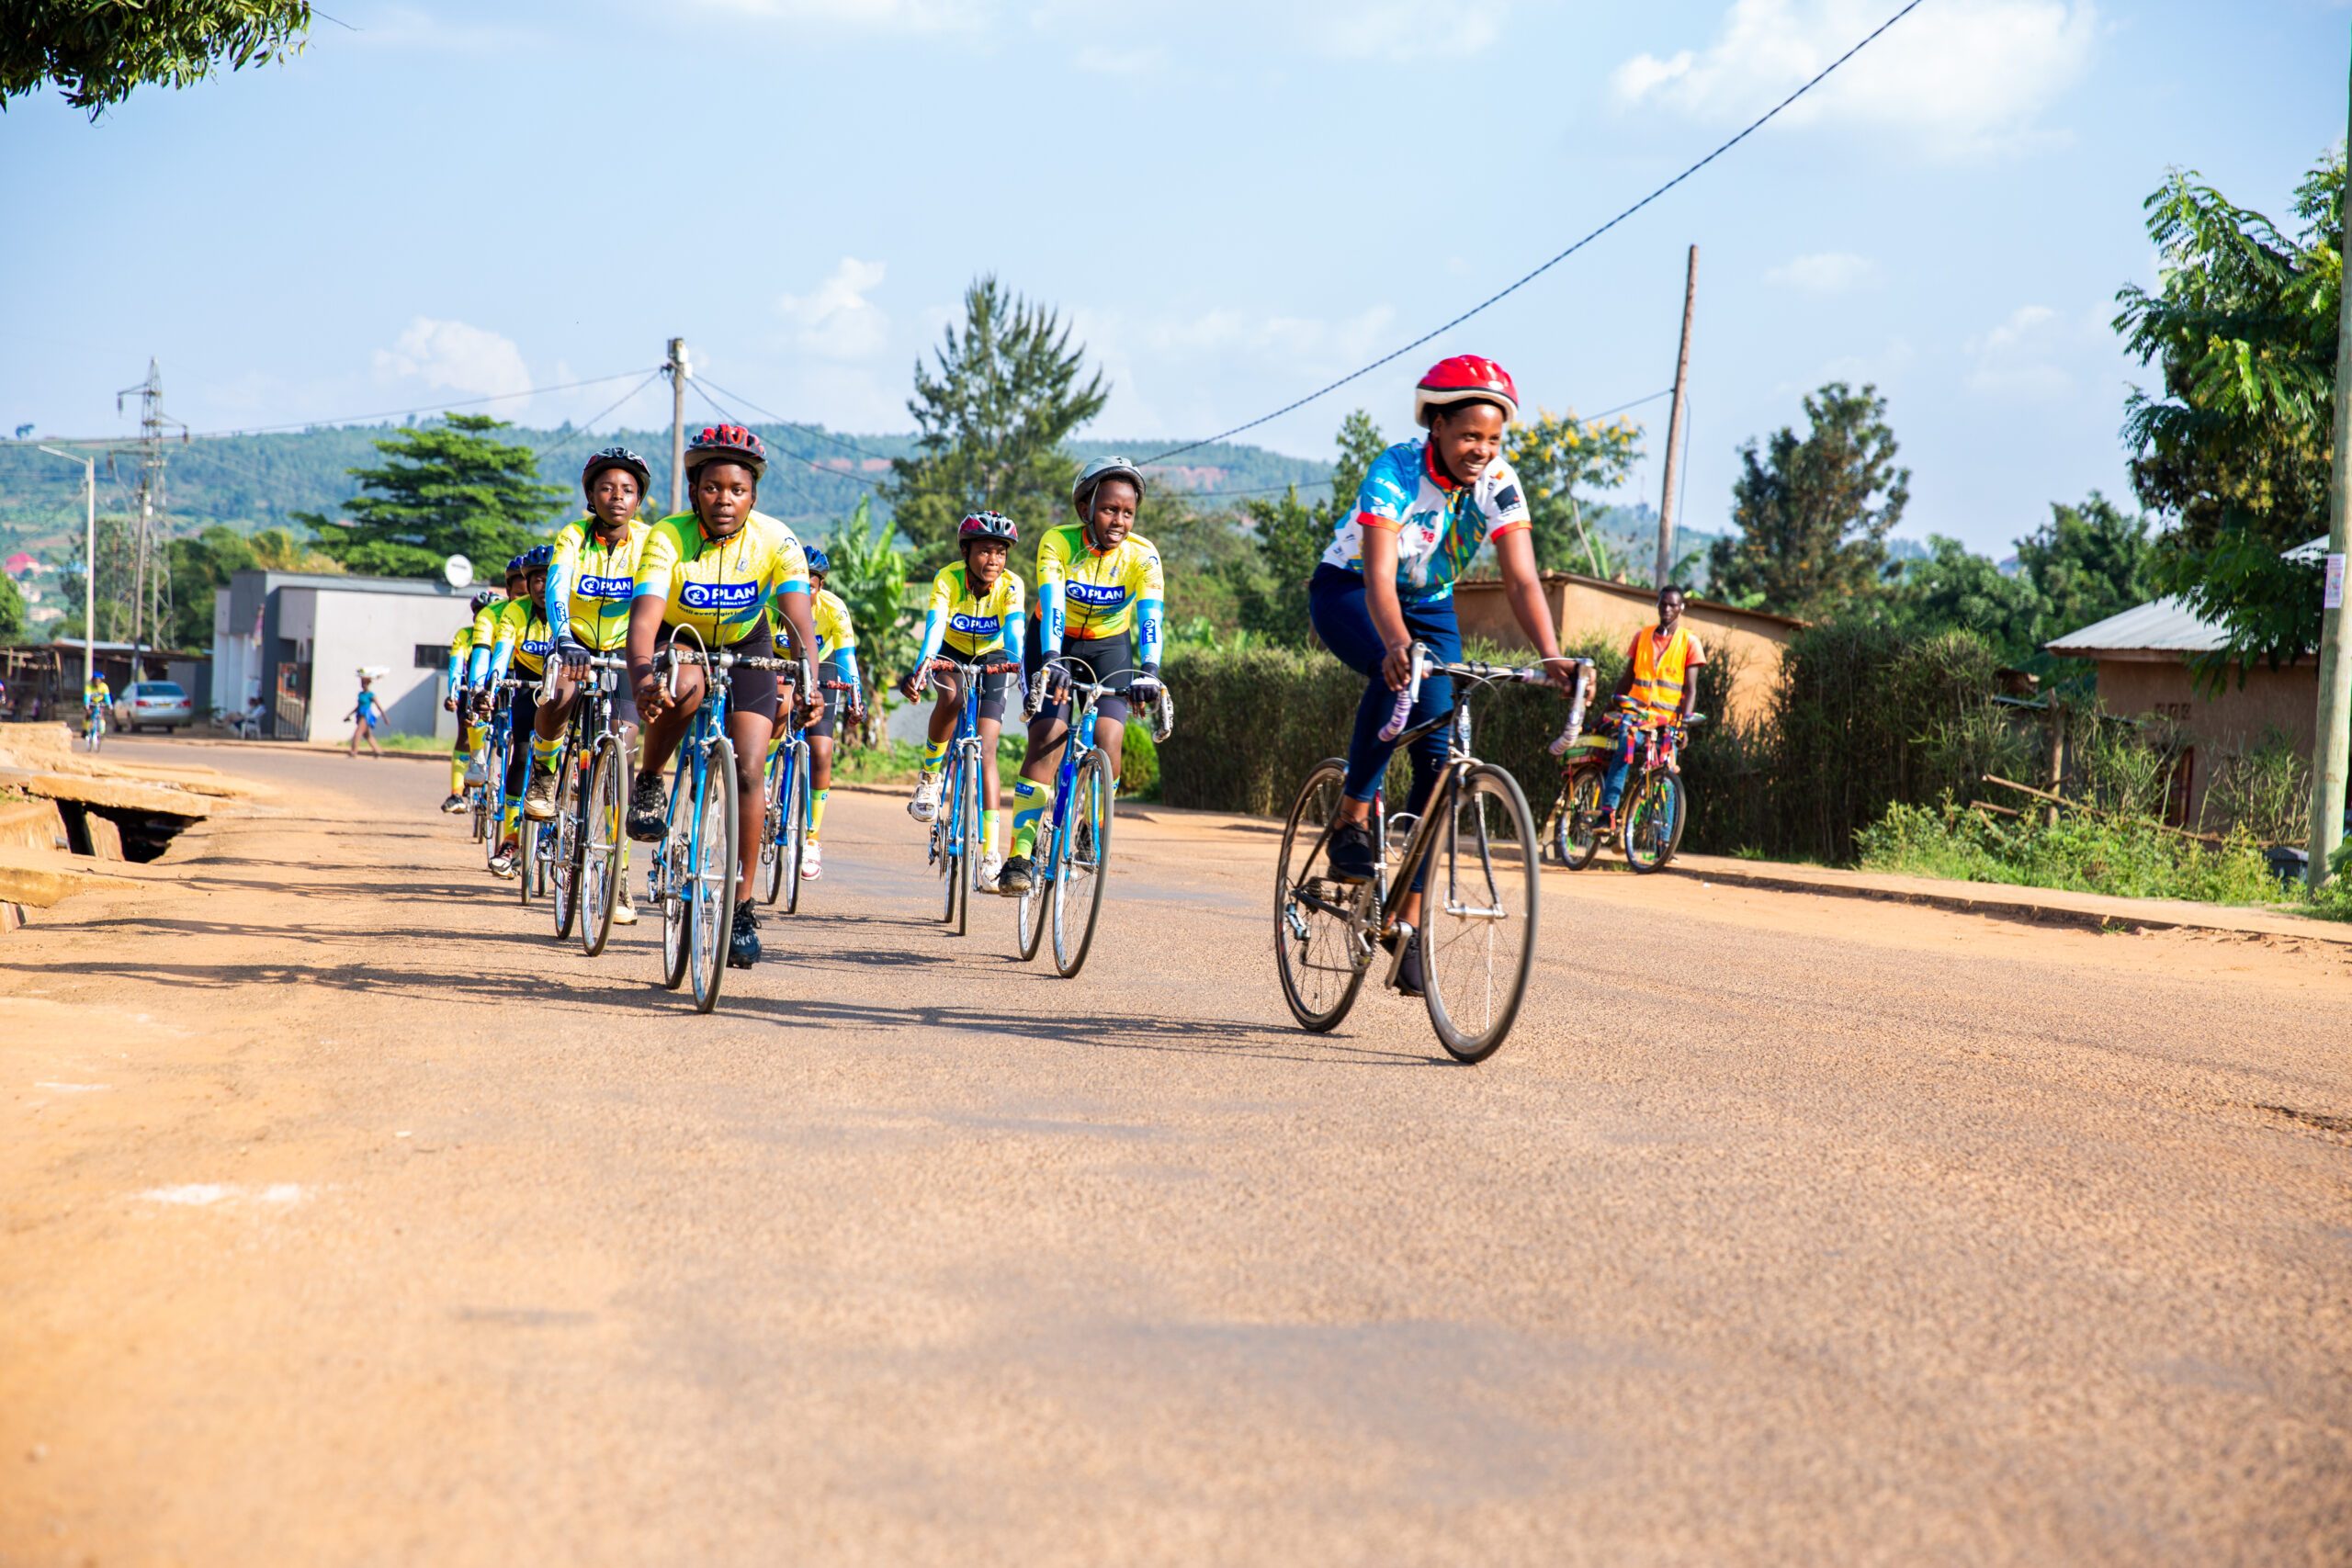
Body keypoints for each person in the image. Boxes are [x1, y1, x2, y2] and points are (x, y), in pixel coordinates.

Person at [1307, 355, 1577, 996]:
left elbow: (1521, 578)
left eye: (1492, 439)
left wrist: (1551, 652)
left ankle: (1405, 932)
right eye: (1467, 437)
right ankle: (1350, 817)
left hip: (1431, 604)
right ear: (1435, 425)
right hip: (1351, 592)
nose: (1481, 450)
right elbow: (1377, 577)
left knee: (1439, 766)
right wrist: (1396, 643)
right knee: (1396, 672)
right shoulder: (1395, 470)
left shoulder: (1499, 481)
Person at [625, 424, 822, 970]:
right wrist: (644, 676)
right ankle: (649, 779)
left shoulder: (776, 540)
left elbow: (799, 618)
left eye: (737, 489)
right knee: (683, 686)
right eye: (712, 488)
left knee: (752, 768)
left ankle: (740, 905)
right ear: (695, 492)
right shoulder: (667, 536)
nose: (724, 499)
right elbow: (644, 621)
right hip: (679, 637)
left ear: (753, 495)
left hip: (746, 640)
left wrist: (810, 680)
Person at [997, 457, 1164, 897]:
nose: (1120, 520)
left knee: (1110, 737)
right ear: (1086, 507)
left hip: (1111, 646)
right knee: (1050, 735)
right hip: (1055, 641)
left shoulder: (1142, 555)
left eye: (1128, 512)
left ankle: (1092, 827)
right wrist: (1051, 658)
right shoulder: (1059, 542)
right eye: (1110, 509)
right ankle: (1020, 855)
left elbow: (1150, 616)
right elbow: (1052, 602)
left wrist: (1150, 670)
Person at [527, 446, 656, 924]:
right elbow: (558, 586)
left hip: (626, 648)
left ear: (639, 499)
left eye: (627, 490)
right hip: (575, 639)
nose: (616, 497)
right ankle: (543, 772)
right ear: (591, 495)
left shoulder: (649, 542)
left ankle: (619, 878)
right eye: (606, 488)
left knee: (623, 753)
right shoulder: (572, 537)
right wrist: (562, 636)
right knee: (559, 694)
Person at [899, 512, 1024, 889]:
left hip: (993, 658)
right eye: (985, 551)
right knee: (951, 700)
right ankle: (930, 779)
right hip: (950, 653)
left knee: (987, 749)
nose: (994, 561)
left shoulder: (1011, 585)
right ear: (966, 552)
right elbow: (936, 626)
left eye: (1001, 553)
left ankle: (990, 854)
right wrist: (924, 664)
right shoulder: (948, 578)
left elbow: (1016, 631)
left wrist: (1020, 666)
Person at [767, 545, 861, 881]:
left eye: (812, 584)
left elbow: (848, 657)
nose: (804, 591)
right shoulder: (768, 605)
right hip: (779, 663)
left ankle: (812, 839)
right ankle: (765, 785)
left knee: (822, 751)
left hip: (824, 668)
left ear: (820, 586)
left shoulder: (834, 608)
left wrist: (856, 694)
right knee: (780, 706)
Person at [1600, 584, 1705, 833]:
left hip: (1667, 723)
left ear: (1681, 608)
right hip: (1636, 717)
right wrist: (1606, 709)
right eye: (1663, 603)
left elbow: (1690, 689)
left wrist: (1684, 723)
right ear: (1657, 604)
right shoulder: (1642, 636)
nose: (1667, 609)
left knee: (1666, 775)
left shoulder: (1689, 642)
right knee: (1623, 754)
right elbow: (1626, 681)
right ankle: (1607, 815)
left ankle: (1662, 843)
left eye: (1673, 605)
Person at [481, 546, 559, 877]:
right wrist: (491, 684)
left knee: (571, 760)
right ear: (528, 582)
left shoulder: (567, 608)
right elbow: (501, 652)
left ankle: (557, 835)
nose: (542, 586)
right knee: (523, 754)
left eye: (549, 578)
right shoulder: (515, 611)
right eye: (537, 580)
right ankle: (511, 838)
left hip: (563, 684)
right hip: (528, 683)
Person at [441, 590, 501, 811]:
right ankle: (456, 794)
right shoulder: (464, 635)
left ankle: (494, 788)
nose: (481, 617)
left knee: (501, 739)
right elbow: (456, 667)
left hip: (497, 689)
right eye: (478, 612)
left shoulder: (501, 631)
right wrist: (453, 694)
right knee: (464, 737)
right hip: (470, 690)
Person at [345, 675, 386, 759]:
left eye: (365, 683)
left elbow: (379, 706)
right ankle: (377, 751)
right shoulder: (360, 694)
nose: (363, 685)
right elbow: (358, 706)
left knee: (358, 733)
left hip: (366, 716)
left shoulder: (371, 695)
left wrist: (385, 717)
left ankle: (354, 752)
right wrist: (349, 715)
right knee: (367, 735)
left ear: (368, 684)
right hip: (360, 715)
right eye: (362, 683)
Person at [82, 670, 109, 736]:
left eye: (99, 681)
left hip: (100, 702)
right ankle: (85, 730)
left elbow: (107, 697)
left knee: (101, 715)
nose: (97, 682)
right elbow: (87, 697)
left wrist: (110, 705)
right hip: (91, 702)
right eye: (95, 681)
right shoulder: (89, 687)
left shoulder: (104, 687)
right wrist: (86, 705)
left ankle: (102, 732)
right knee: (88, 715)